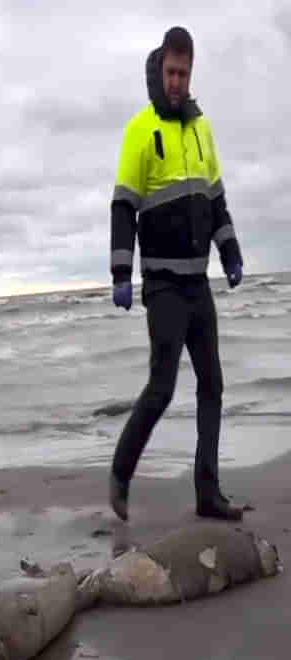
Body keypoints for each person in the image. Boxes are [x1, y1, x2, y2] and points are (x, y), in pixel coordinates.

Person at [108, 26, 245, 523]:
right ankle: (121, 472)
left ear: (191, 73)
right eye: (170, 71)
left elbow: (216, 199)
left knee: (213, 384)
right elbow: (123, 206)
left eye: (184, 73)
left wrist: (229, 251)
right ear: (159, 67)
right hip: (163, 284)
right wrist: (121, 269)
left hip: (197, 285)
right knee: (162, 388)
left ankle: (207, 492)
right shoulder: (141, 129)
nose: (176, 81)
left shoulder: (201, 130)